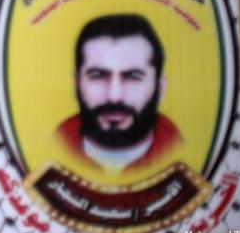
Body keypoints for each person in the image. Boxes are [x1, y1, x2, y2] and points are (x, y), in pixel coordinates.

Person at [57, 14, 181, 172]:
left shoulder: (186, 154)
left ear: (160, 87)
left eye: (133, 77)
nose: (114, 96)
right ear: (76, 83)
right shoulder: (48, 150)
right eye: (98, 76)